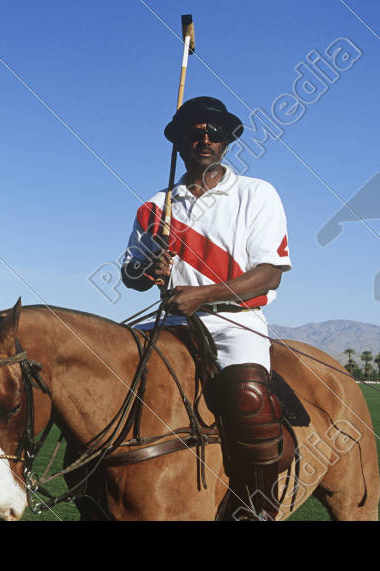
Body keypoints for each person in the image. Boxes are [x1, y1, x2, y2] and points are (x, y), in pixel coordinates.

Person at [119, 96, 293, 520]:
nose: (205, 139)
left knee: (250, 398)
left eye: (214, 132)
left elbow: (270, 274)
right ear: (178, 142)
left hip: (237, 325)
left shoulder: (256, 194)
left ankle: (256, 508)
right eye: (194, 132)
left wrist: (202, 295)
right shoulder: (154, 207)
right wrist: (149, 263)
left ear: (228, 140)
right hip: (171, 324)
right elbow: (130, 277)